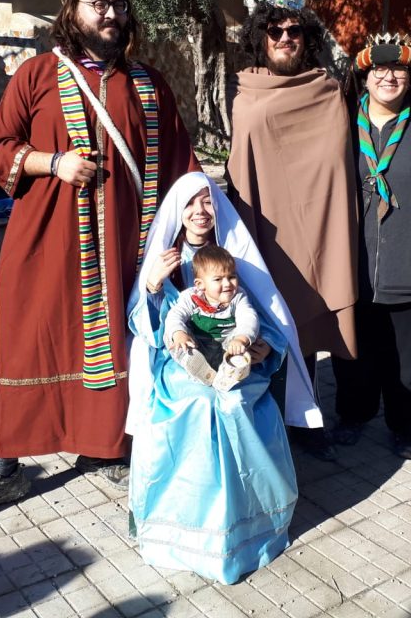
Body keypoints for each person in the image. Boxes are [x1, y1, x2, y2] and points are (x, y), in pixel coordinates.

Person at [0, 0, 198, 525]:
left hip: (126, 249)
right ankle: (4, 469)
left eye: (119, 5)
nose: (112, 14)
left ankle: (104, 447)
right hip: (45, 247)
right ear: (72, 12)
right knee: (30, 346)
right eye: (99, 5)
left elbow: (180, 161)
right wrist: (52, 162)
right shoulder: (36, 75)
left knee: (116, 347)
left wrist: (198, 211)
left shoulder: (149, 83)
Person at [127, 172, 303, 584]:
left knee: (230, 401)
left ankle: (247, 524)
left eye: (207, 201)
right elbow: (145, 323)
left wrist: (263, 346)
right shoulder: (167, 258)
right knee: (197, 403)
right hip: (180, 359)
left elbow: (261, 313)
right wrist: (152, 285)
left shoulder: (232, 255)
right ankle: (185, 528)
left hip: (233, 355)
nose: (200, 211)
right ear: (178, 210)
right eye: (190, 203)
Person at [225, 0, 358, 460]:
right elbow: (241, 169)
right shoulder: (246, 95)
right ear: (260, 37)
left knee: (313, 321)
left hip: (323, 228)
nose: (285, 38)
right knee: (272, 321)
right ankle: (273, 418)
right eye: (275, 30)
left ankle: (306, 417)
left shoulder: (328, 90)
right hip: (267, 230)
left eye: (295, 31)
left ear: (308, 38)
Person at [331, 33, 411, 460]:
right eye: (379, 68)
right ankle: (353, 414)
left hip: (410, 264)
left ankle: (406, 425)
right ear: (364, 76)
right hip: (352, 264)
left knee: (410, 360)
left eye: (398, 69)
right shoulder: (338, 124)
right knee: (354, 353)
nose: (388, 76)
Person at [164, 244, 259, 388]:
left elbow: (248, 317)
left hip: (226, 346)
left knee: (241, 342)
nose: (227, 284)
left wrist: (241, 339)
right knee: (172, 334)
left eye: (231, 277)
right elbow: (175, 315)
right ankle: (193, 362)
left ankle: (228, 372)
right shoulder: (191, 297)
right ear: (200, 284)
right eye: (218, 279)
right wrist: (179, 334)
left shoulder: (238, 297)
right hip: (197, 344)